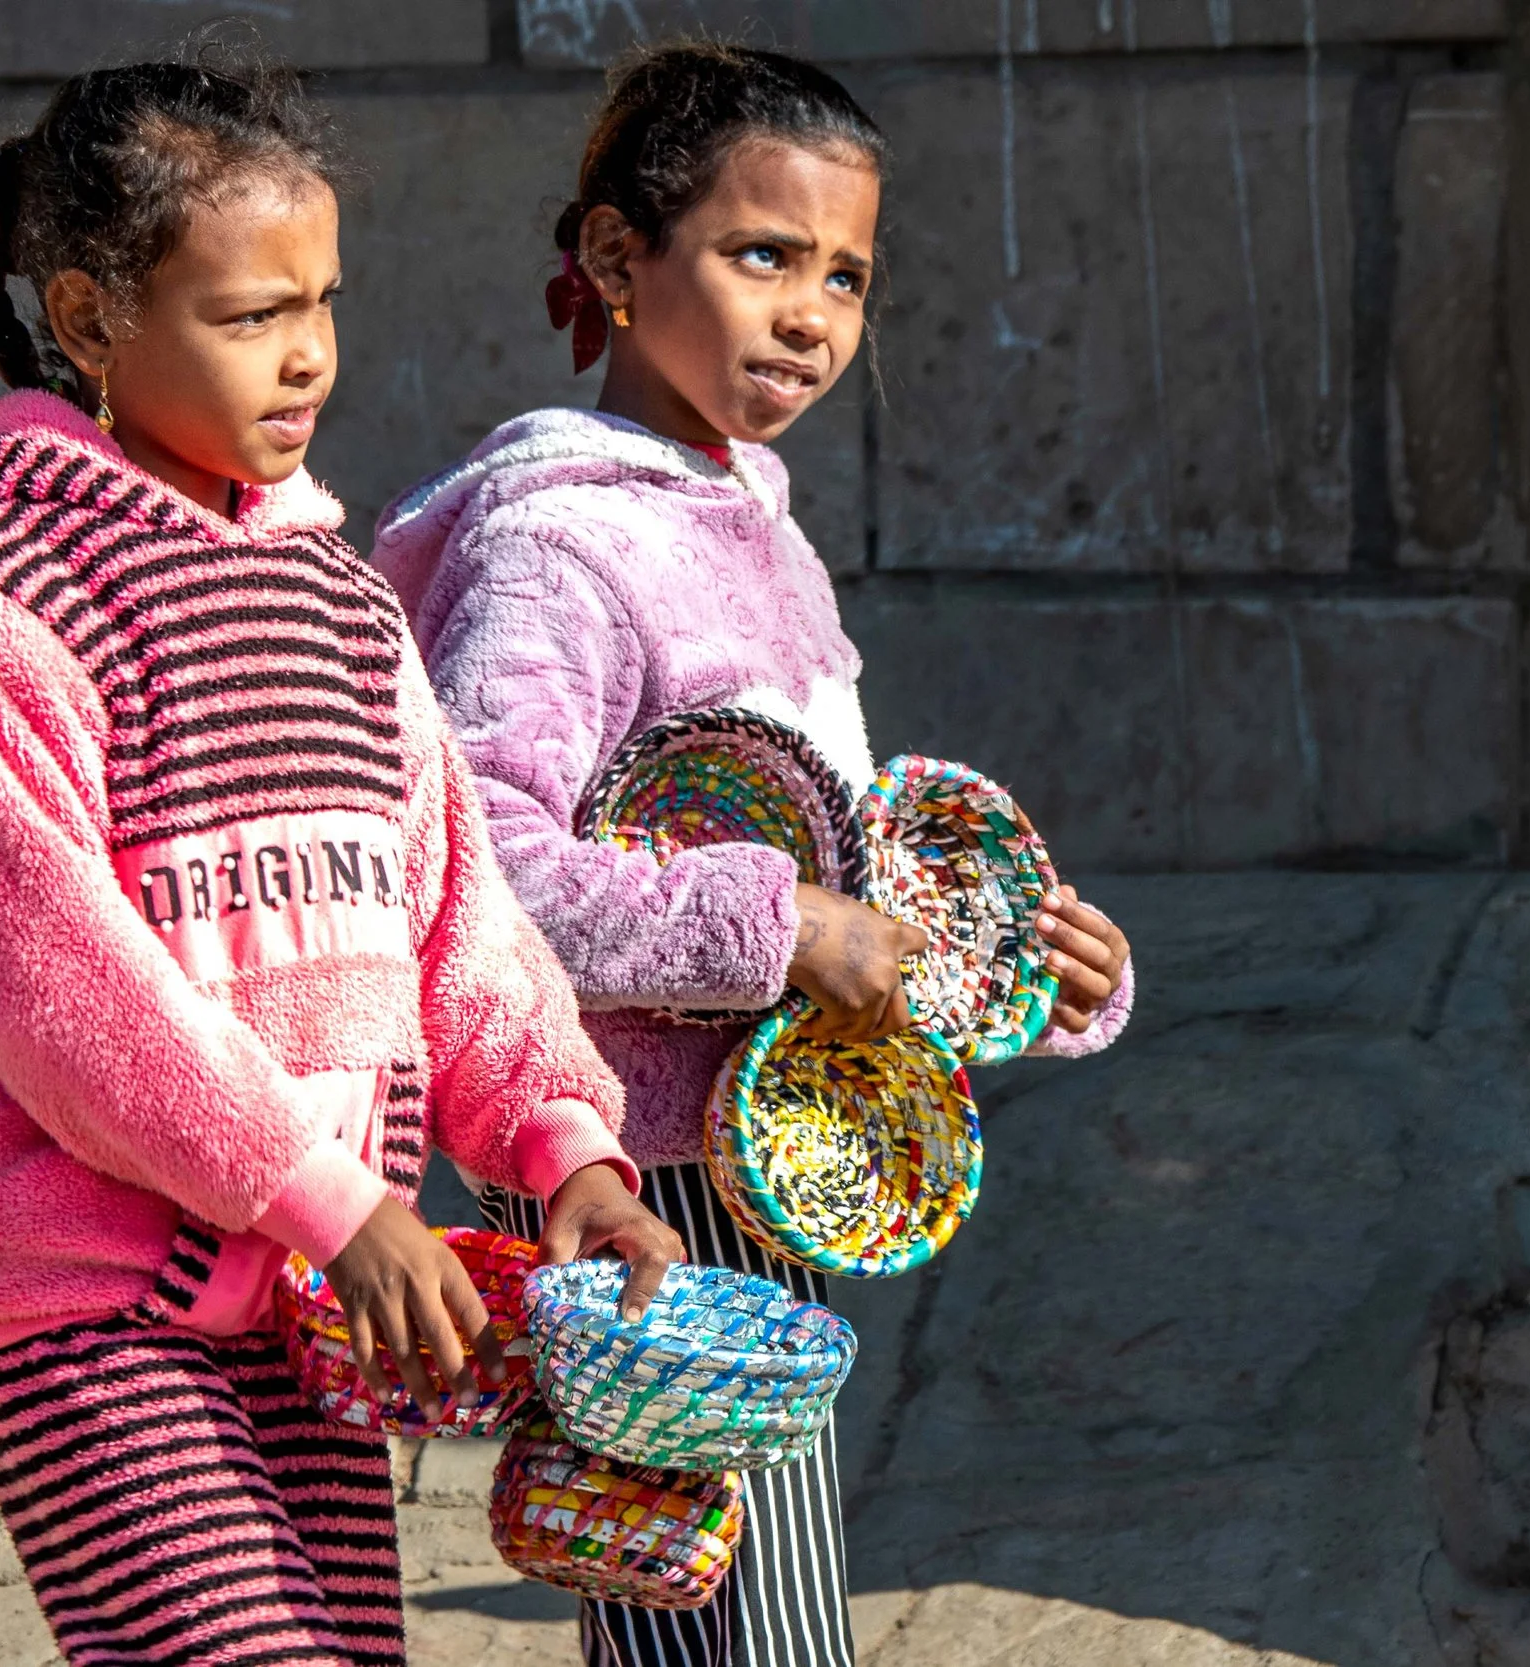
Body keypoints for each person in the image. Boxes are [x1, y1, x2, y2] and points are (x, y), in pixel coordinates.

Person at [0, 57, 682, 1666]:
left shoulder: (343, 596)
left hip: (320, 1300)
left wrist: (568, 1148)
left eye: (323, 300)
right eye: (249, 314)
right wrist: (329, 1199)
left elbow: (464, 927)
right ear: (92, 320)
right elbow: (59, 990)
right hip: (88, 1300)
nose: (307, 350)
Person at [373, 42, 1136, 1667]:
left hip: (764, 1179)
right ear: (612, 260)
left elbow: (852, 866)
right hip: (640, 1192)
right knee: (735, 1637)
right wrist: (779, 925)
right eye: (761, 254)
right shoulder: (558, 542)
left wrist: (1030, 976)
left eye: (846, 273)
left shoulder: (755, 521)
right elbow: (485, 865)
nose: (811, 312)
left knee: (730, 1631)